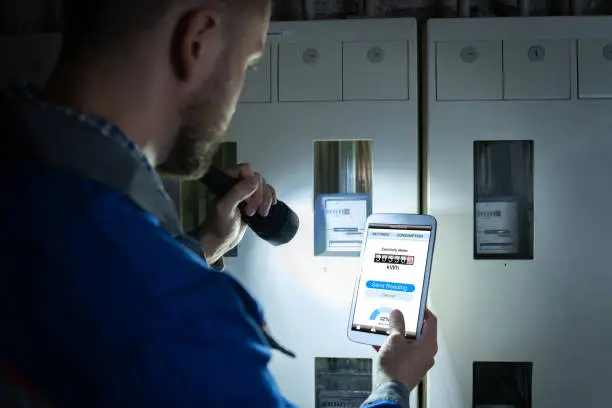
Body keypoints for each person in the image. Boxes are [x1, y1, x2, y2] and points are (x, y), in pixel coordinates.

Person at [0, 0, 438, 407]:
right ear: (198, 42)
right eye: (247, 63)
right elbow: (137, 300)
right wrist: (392, 384)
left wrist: (206, 244)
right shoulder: (178, 315)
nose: (239, 88)